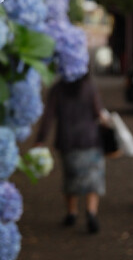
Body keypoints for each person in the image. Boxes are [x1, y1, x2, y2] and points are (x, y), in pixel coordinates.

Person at [35, 70, 108, 234]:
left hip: (67, 141)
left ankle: (71, 212)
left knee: (71, 177)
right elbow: (98, 112)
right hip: (90, 139)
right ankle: (91, 211)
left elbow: (48, 116)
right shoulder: (90, 87)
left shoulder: (58, 88)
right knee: (93, 179)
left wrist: (40, 139)